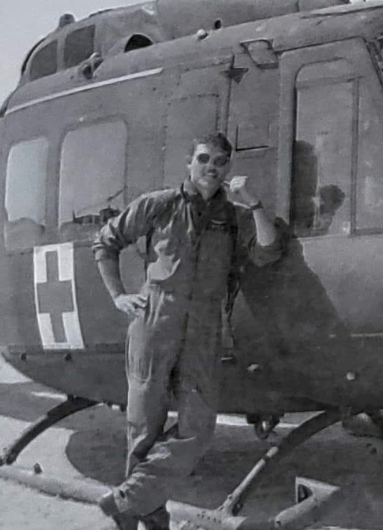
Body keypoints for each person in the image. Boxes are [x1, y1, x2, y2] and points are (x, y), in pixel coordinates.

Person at [92, 132, 281, 530]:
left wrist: (255, 204)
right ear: (189, 162)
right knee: (144, 423)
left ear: (228, 169)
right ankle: (146, 514)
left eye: (220, 162)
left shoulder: (233, 217)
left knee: (199, 426)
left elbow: (267, 251)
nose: (211, 168)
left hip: (204, 325)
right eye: (204, 159)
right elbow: (106, 243)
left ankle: (129, 500)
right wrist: (119, 296)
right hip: (156, 315)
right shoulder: (159, 205)